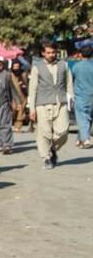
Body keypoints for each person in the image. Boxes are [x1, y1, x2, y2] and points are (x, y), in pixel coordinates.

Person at [29, 40, 74, 169]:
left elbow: (69, 84)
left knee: (63, 132)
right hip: (42, 104)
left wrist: (71, 99)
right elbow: (33, 90)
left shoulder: (63, 65)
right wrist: (32, 109)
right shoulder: (37, 67)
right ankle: (46, 158)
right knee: (43, 133)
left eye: (53, 52)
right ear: (43, 53)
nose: (51, 55)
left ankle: (53, 148)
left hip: (61, 102)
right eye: (48, 52)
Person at [70, 46, 93, 149]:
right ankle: (79, 139)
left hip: (81, 95)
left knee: (82, 117)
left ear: (80, 54)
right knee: (89, 117)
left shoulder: (76, 66)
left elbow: (71, 79)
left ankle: (86, 139)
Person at [9, 57, 30, 132]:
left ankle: (18, 127)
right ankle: (10, 123)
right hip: (13, 95)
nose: (16, 68)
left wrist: (23, 84)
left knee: (21, 111)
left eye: (17, 67)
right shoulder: (9, 74)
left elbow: (27, 83)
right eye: (14, 67)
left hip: (22, 95)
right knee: (14, 109)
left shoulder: (23, 73)